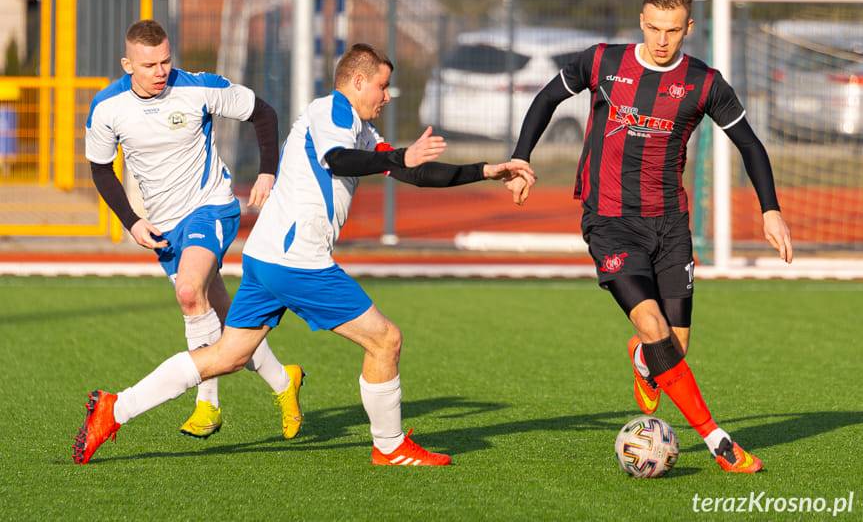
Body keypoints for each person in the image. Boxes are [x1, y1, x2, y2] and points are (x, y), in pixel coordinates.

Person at [72, 42, 535, 466]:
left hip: (267, 257)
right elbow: (337, 160)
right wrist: (398, 158)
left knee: (227, 356)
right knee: (385, 340)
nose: (387, 96)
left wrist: (486, 170)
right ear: (358, 82)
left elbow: (411, 173)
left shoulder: (359, 128)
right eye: (382, 86)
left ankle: (116, 408)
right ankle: (390, 446)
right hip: (298, 260)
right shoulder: (330, 111)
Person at [505, 0, 793, 473]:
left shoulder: (704, 83)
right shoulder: (602, 62)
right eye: (654, 28)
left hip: (670, 226)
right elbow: (547, 98)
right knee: (654, 327)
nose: (662, 40)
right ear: (642, 21)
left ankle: (642, 360)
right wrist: (520, 157)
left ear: (689, 28)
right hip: (611, 222)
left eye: (673, 30)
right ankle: (719, 442)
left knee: (672, 348)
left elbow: (749, 143)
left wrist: (771, 208)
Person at [83, 19, 303, 441]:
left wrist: (267, 172)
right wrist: (131, 220)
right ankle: (283, 380)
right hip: (164, 227)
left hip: (210, 208)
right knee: (224, 320)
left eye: (166, 61)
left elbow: (263, 113)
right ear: (127, 65)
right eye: (149, 65)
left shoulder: (198, 87)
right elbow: (101, 169)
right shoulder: (107, 107)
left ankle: (208, 405)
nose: (161, 71)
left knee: (188, 292)